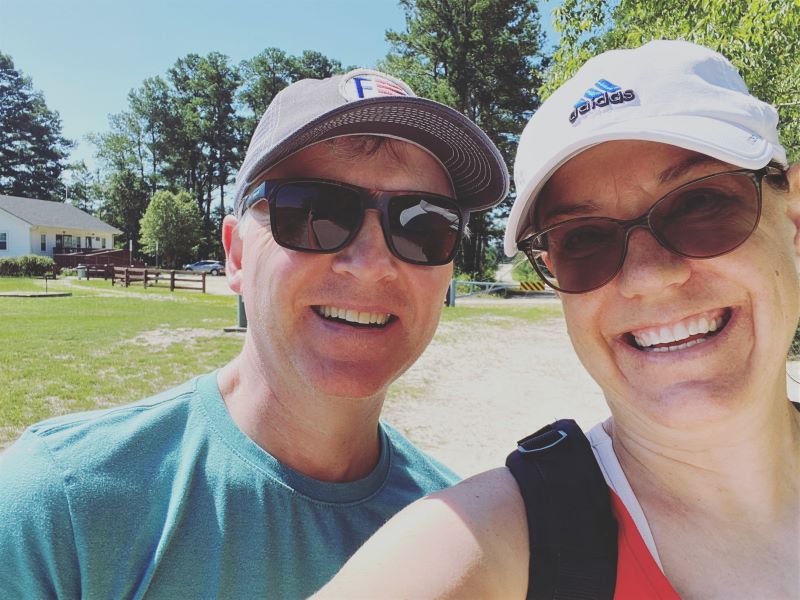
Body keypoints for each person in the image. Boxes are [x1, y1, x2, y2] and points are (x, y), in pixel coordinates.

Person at [316, 41, 800, 599]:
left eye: (701, 206)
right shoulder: (489, 543)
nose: (647, 276)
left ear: (792, 222)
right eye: (584, 240)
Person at [0, 69, 509, 598]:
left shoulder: (465, 546)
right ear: (237, 254)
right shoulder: (59, 510)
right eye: (316, 212)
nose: (372, 264)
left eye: (423, 225)